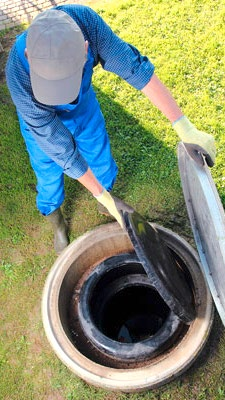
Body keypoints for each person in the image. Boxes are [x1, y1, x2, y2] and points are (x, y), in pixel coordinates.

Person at [6, 5, 216, 254]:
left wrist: (184, 126)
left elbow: (134, 68)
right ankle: (58, 223)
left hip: (83, 108)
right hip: (40, 124)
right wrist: (99, 194)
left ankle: (107, 203)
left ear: (85, 49)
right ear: (29, 55)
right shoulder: (18, 75)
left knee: (99, 155)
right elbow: (60, 148)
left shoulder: (90, 27)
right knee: (48, 172)